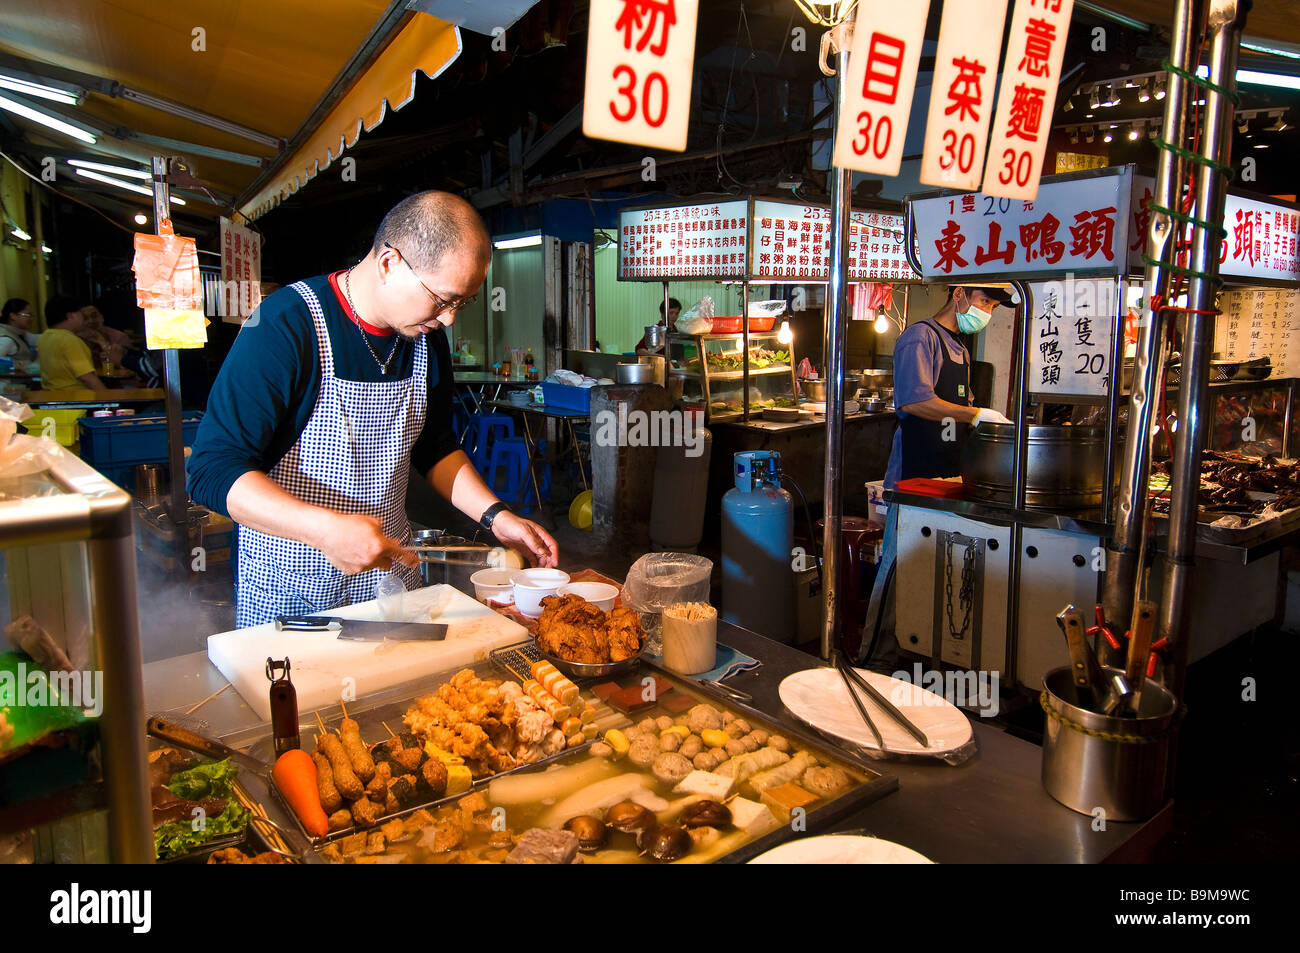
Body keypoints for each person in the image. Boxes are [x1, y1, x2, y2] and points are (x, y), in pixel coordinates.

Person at [188, 191, 560, 628]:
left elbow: (433, 446)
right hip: (292, 590)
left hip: (390, 583)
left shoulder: (426, 338)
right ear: (389, 263)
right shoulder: (287, 323)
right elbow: (212, 470)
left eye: (463, 302)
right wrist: (325, 530)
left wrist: (495, 515)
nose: (450, 319)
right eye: (443, 299)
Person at [860, 285, 1013, 666]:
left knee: (934, 574)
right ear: (959, 293)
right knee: (898, 571)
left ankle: (920, 659)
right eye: (984, 301)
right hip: (913, 479)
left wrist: (986, 424)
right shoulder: (919, 337)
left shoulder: (958, 346)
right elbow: (914, 399)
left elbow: (960, 405)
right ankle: (875, 660)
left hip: (946, 479)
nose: (987, 311)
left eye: (992, 305)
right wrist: (975, 415)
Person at [38, 296, 108, 391]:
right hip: (77, 398)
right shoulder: (69, 340)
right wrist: (109, 399)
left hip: (52, 396)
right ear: (70, 316)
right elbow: (87, 378)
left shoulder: (44, 337)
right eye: (81, 314)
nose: (84, 318)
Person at [76, 305, 131, 370]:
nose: (91, 321)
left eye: (94, 316)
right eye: (85, 318)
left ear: (102, 317)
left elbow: (126, 368)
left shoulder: (119, 337)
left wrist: (102, 342)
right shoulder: (74, 339)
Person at [0, 298, 38, 372]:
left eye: (31, 315)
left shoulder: (19, 333)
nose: (31, 318)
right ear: (12, 316)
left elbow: (38, 339)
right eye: (27, 315)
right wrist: (14, 364)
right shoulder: (6, 339)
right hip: (10, 382)